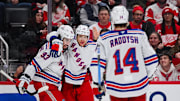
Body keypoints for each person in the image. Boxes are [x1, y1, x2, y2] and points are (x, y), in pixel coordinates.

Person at [90, 5, 159, 101]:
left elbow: (97, 64)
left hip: (116, 88)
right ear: (127, 20)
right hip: (138, 86)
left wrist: (97, 84)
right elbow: (152, 60)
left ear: (112, 20)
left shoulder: (104, 38)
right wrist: (149, 75)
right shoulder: (140, 35)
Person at [15, 25, 75, 101]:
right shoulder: (52, 49)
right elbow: (34, 65)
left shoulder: (62, 47)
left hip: (53, 85)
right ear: (60, 37)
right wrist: (25, 79)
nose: (68, 43)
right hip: (45, 82)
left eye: (70, 40)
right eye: (66, 40)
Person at [61, 25, 97, 101]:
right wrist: (54, 39)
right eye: (80, 36)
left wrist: (97, 39)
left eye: (85, 37)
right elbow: (53, 36)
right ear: (76, 36)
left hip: (84, 80)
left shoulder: (92, 45)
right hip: (68, 82)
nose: (82, 39)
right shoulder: (71, 43)